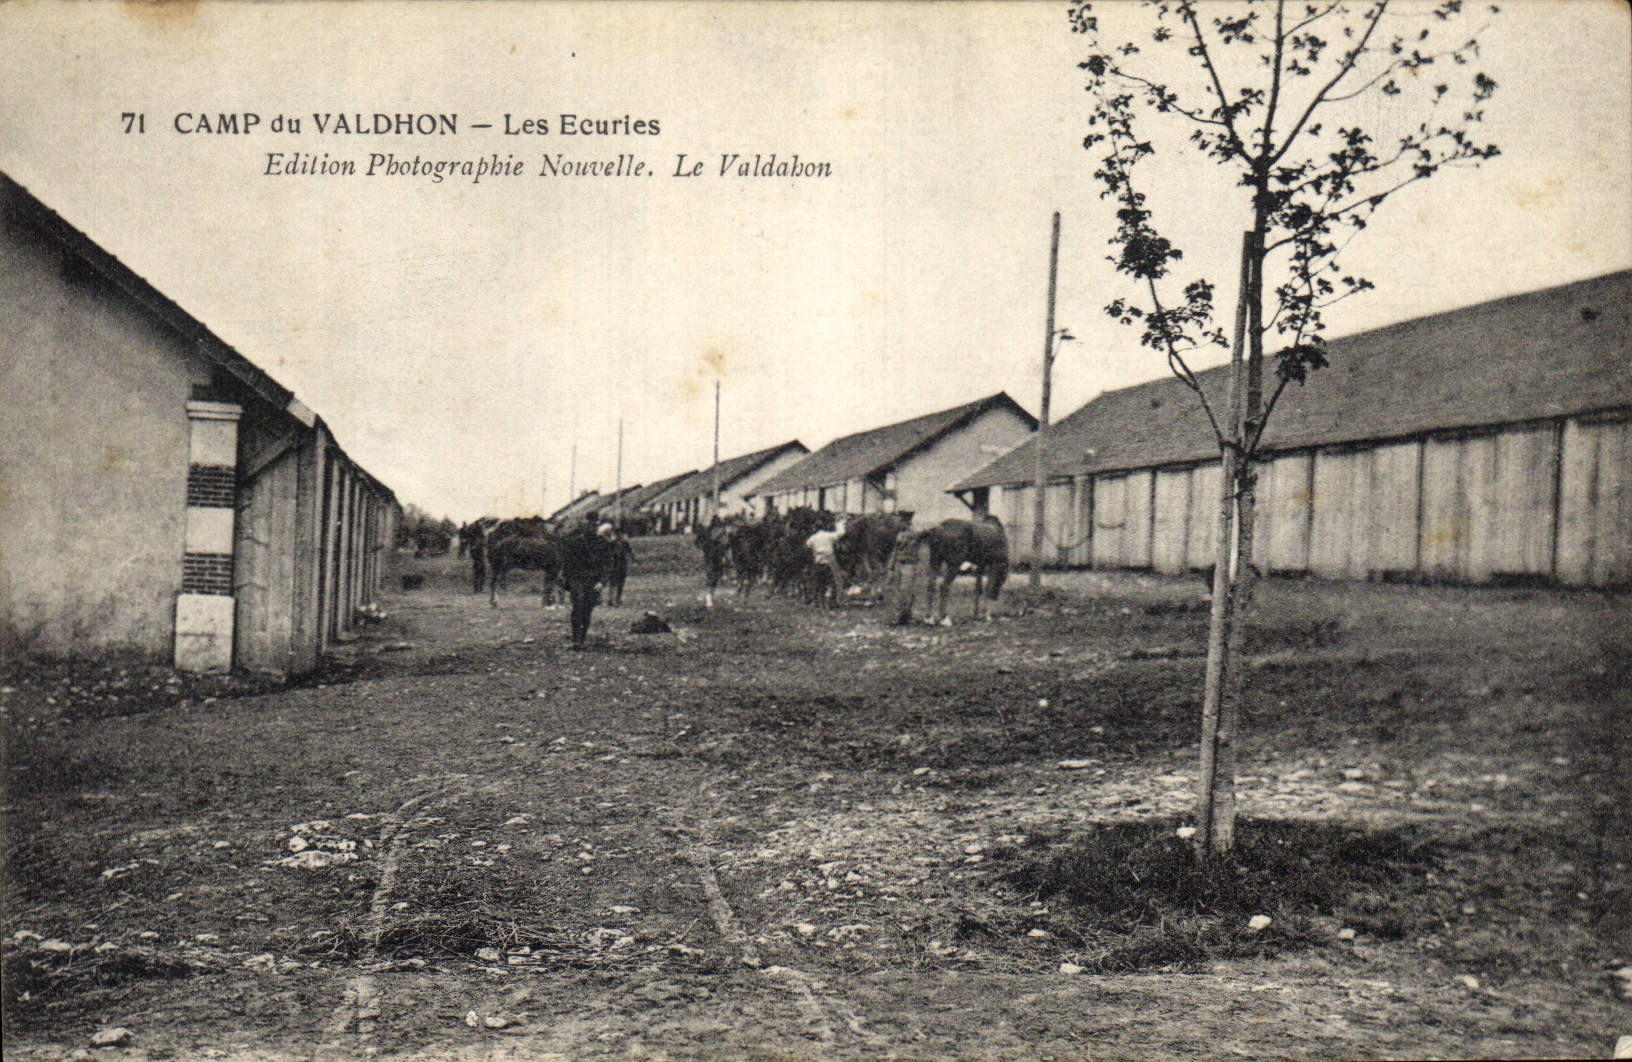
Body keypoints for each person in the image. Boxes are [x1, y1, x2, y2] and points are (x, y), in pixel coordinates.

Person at [560, 511, 615, 649]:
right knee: (577, 606)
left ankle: (582, 638)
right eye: (589, 525)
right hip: (577, 578)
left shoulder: (603, 543)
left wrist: (602, 582)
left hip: (593, 581)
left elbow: (607, 564)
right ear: (584, 526)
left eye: (594, 525)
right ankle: (576, 640)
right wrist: (568, 581)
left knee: (587, 609)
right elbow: (568, 562)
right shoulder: (575, 542)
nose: (591, 528)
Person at [805, 517, 848, 607]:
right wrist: (840, 524)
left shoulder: (813, 538)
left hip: (818, 561)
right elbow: (841, 534)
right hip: (829, 561)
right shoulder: (828, 536)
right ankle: (833, 602)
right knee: (834, 581)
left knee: (818, 582)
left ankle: (817, 602)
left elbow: (807, 545)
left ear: (815, 528)